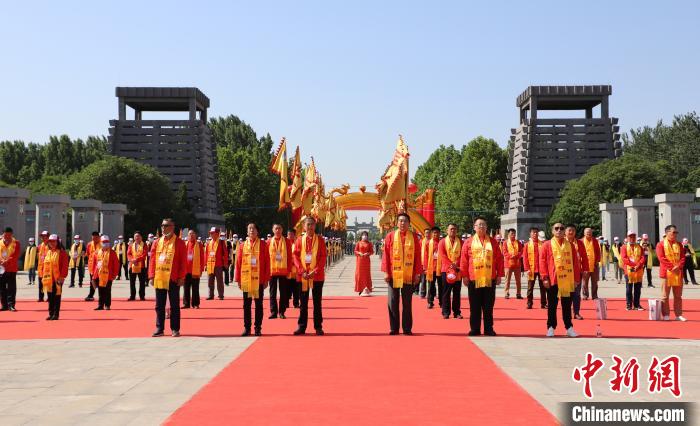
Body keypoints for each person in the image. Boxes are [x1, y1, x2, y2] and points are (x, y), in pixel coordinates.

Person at [459, 217, 503, 336]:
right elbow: (464, 260)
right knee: (474, 306)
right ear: (474, 227)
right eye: (479, 225)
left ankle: (489, 329)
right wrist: (464, 276)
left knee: (488, 306)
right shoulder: (468, 242)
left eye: (483, 225)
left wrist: (500, 275)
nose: (481, 227)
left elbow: (499, 259)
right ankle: (475, 329)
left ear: (486, 227)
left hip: (490, 279)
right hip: (474, 279)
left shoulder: (493, 242)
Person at [381, 213, 421, 335]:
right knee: (393, 301)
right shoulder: (390, 236)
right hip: (394, 274)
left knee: (407, 302)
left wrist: (417, 273)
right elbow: (386, 255)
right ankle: (394, 328)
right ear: (397, 223)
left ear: (409, 224)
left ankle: (407, 328)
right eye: (400, 221)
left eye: (405, 221)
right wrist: (386, 272)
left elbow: (418, 257)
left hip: (408, 275)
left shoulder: (414, 237)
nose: (402, 223)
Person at [539, 223, 581, 337]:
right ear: (552, 231)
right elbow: (542, 262)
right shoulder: (547, 245)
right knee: (552, 305)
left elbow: (575, 263)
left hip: (567, 280)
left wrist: (577, 278)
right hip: (553, 280)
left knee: (567, 305)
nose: (559, 230)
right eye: (556, 229)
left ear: (564, 231)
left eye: (561, 228)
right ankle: (551, 327)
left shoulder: (570, 245)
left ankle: (569, 327)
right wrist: (545, 277)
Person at [148, 218, 187, 337]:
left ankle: (175, 328)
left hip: (173, 277)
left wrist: (181, 277)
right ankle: (159, 328)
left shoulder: (179, 243)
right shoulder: (157, 242)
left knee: (174, 305)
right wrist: (151, 275)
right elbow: (152, 260)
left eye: (166, 225)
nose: (163, 228)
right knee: (159, 305)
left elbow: (183, 262)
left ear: (172, 227)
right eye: (162, 226)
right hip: (159, 277)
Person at [293, 216, 327, 335]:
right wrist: (302, 271)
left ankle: (318, 326)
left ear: (315, 226)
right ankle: (302, 326)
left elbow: (323, 257)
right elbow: (295, 256)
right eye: (308, 224)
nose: (310, 227)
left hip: (317, 276)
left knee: (317, 302)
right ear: (304, 226)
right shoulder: (299, 240)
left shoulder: (320, 240)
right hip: (303, 276)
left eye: (312, 224)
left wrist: (315, 270)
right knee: (303, 302)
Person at [235, 223, 270, 336]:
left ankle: (258, 328)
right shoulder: (242, 246)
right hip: (246, 279)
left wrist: (266, 279)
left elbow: (267, 263)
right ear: (247, 232)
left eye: (253, 228)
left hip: (259, 280)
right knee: (246, 305)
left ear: (257, 231)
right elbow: (238, 263)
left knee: (258, 304)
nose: (251, 230)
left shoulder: (263, 245)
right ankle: (247, 328)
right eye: (249, 228)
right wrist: (238, 279)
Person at [656, 225, 686, 321]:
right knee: (665, 296)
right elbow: (661, 258)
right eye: (673, 232)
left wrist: (679, 266)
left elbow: (682, 257)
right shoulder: (660, 245)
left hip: (678, 273)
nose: (675, 234)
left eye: (676, 233)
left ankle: (678, 314)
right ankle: (666, 314)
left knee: (678, 296)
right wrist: (672, 267)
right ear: (667, 233)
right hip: (666, 273)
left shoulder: (679, 245)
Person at [41, 234, 69, 320]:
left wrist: (62, 277)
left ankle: (56, 314)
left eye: (54, 241)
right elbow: (44, 265)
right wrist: (42, 275)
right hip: (48, 279)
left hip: (57, 279)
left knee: (56, 296)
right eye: (50, 241)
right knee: (50, 297)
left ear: (57, 242)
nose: (52, 243)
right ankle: (51, 313)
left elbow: (65, 266)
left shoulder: (62, 253)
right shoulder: (48, 252)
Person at [89, 235, 119, 310]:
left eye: (107, 242)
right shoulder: (97, 253)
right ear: (101, 243)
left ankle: (107, 305)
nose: (105, 244)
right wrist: (93, 273)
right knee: (100, 290)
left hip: (109, 275)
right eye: (104, 242)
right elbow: (94, 264)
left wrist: (115, 274)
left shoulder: (112, 253)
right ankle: (100, 305)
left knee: (107, 290)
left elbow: (116, 264)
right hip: (99, 275)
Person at [268, 224, 292, 319]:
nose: (278, 230)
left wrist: (289, 270)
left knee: (283, 293)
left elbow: (290, 256)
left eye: (279, 228)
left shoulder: (286, 241)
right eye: (276, 228)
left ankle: (282, 312)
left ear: (282, 230)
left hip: (283, 270)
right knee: (272, 292)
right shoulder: (269, 241)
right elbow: (266, 257)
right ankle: (273, 312)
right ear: (273, 230)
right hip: (272, 271)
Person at [439, 223, 463, 319]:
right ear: (447, 231)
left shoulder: (461, 242)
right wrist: (451, 264)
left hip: (457, 270)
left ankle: (457, 312)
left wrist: (456, 263)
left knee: (457, 292)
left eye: (454, 229)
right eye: (451, 229)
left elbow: (462, 255)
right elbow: (442, 255)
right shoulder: (442, 242)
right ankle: (445, 312)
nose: (453, 231)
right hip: (446, 270)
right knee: (446, 292)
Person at [566, 225, 589, 321]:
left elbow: (584, 257)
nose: (571, 232)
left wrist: (585, 269)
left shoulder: (579, 243)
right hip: (564, 272)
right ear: (566, 232)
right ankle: (566, 313)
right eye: (569, 230)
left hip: (577, 272)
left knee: (576, 294)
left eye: (573, 230)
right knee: (566, 294)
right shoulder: (562, 242)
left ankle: (576, 313)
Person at [620, 231, 645, 311]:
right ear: (627, 237)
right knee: (629, 288)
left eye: (634, 236)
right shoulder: (624, 247)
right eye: (630, 237)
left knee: (638, 288)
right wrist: (634, 265)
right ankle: (628, 305)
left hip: (638, 270)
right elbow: (624, 258)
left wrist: (638, 265)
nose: (632, 238)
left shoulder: (640, 247)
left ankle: (637, 305)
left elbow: (643, 257)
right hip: (628, 270)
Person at [523, 227, 546, 309]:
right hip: (531, 269)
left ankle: (543, 303)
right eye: (533, 232)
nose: (535, 234)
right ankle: (529, 303)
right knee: (530, 288)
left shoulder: (542, 244)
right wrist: (527, 269)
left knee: (543, 287)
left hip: (541, 269)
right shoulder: (527, 245)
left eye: (536, 232)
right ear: (530, 234)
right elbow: (525, 258)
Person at [0, 227, 21, 312]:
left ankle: (11, 305)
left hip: (11, 268)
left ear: (12, 234)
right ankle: (4, 305)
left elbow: (16, 255)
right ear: (3, 234)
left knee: (11, 287)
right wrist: (1, 261)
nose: (7, 236)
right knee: (1, 287)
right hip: (1, 268)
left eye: (9, 234)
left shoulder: (16, 243)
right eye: (6, 234)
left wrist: (7, 261)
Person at [183, 229, 205, 309]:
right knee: (186, 288)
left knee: (195, 288)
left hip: (195, 270)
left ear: (195, 235)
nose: (191, 235)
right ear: (187, 236)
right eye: (189, 234)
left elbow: (202, 257)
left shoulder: (199, 244)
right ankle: (186, 303)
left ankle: (196, 304)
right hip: (186, 270)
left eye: (192, 234)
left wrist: (202, 268)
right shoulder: (185, 244)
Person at [205, 227, 228, 300]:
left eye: (213, 233)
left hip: (218, 265)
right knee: (210, 281)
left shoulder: (221, 242)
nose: (211, 234)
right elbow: (206, 254)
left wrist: (225, 263)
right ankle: (210, 295)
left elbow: (225, 254)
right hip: (210, 265)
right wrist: (205, 264)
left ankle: (221, 295)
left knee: (219, 281)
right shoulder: (209, 243)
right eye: (210, 233)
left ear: (217, 234)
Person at [422, 226, 442, 309]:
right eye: (434, 233)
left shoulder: (442, 242)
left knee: (441, 286)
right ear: (431, 234)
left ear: (439, 233)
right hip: (431, 268)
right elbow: (425, 256)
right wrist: (425, 268)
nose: (435, 234)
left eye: (437, 233)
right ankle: (430, 302)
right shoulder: (428, 243)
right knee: (430, 286)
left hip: (440, 268)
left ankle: (442, 302)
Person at [127, 232, 148, 301]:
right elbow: (128, 254)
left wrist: (137, 260)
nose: (137, 238)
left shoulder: (144, 245)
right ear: (134, 238)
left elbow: (144, 254)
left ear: (141, 237)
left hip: (141, 266)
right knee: (132, 282)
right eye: (135, 236)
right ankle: (132, 296)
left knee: (142, 282)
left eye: (138, 236)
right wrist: (132, 260)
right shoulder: (131, 245)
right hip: (132, 265)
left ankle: (142, 296)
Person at [502, 228, 523, 299]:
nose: (513, 235)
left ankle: (518, 293)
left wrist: (516, 256)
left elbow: (521, 252)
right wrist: (511, 256)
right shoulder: (505, 243)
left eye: (514, 234)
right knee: (507, 280)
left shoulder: (519, 243)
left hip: (517, 264)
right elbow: (504, 252)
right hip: (508, 264)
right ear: (508, 234)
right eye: (511, 234)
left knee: (518, 280)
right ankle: (506, 293)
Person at [581, 228, 601, 300]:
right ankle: (585, 295)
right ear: (584, 233)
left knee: (595, 281)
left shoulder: (595, 241)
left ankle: (594, 295)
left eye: (590, 233)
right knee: (584, 282)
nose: (589, 234)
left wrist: (597, 260)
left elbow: (598, 251)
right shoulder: (581, 241)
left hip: (594, 264)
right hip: (584, 265)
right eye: (587, 233)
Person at [354, 231, 374, 296]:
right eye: (363, 235)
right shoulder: (358, 243)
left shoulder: (369, 243)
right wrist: (359, 253)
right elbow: (355, 251)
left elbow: (372, 251)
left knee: (366, 274)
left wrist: (367, 253)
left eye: (366, 235)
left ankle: (366, 288)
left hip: (366, 261)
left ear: (367, 236)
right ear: (361, 236)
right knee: (359, 274)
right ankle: (360, 289)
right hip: (360, 261)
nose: (364, 236)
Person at [285, 230, 300, 309]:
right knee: (286, 288)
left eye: (291, 234)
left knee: (296, 288)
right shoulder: (284, 243)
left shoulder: (297, 243)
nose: (289, 236)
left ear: (294, 235)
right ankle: (286, 303)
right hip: (287, 270)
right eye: (288, 234)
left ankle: (296, 303)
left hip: (296, 270)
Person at [84, 231, 101, 302]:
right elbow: (87, 254)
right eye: (93, 238)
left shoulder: (102, 244)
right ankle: (91, 295)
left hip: (100, 266)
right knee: (92, 281)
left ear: (98, 237)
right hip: (92, 266)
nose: (94, 240)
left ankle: (101, 295)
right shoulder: (89, 244)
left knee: (100, 281)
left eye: (96, 238)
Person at [36, 230, 50, 302]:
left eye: (45, 236)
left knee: (48, 283)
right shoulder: (39, 246)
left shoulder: (51, 245)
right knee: (40, 284)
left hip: (48, 268)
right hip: (41, 268)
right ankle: (41, 297)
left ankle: (49, 297)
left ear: (48, 237)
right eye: (42, 236)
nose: (43, 238)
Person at [419, 228, 430, 298]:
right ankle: (423, 293)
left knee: (430, 280)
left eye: (428, 233)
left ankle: (431, 294)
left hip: (431, 264)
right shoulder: (421, 242)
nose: (427, 234)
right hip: (422, 263)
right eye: (426, 232)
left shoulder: (432, 242)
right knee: (423, 280)